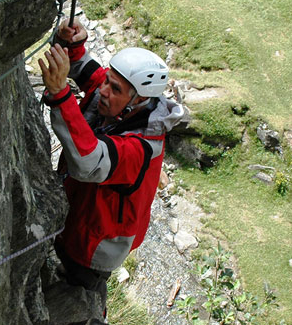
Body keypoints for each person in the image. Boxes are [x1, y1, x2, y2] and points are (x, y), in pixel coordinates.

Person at [39, 22, 186, 304]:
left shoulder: (142, 148)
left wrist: (60, 94)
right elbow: (89, 74)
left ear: (139, 99)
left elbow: (88, 162)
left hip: (93, 247)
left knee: (80, 296)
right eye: (108, 79)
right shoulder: (115, 97)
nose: (103, 90)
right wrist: (72, 44)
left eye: (114, 87)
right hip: (80, 219)